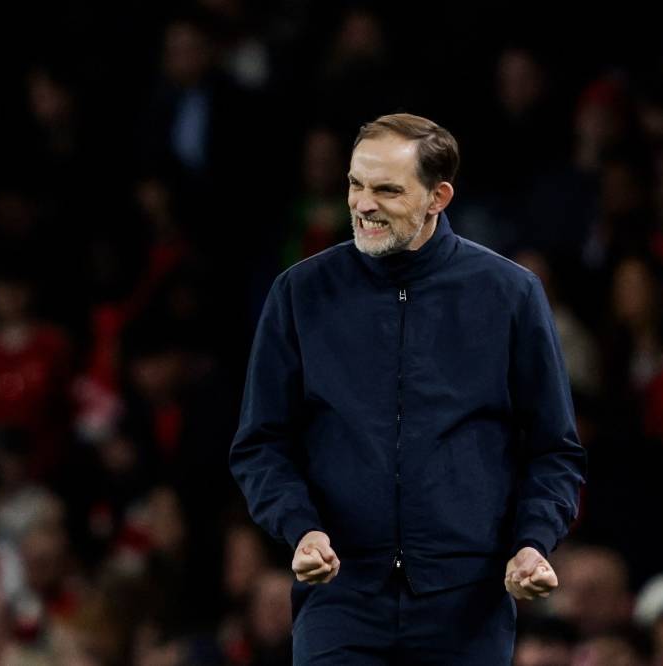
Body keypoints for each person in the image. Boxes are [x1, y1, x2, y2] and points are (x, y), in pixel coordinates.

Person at [229, 113, 587, 664]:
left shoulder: (509, 295)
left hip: (469, 606)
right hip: (340, 598)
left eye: (386, 189)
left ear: (438, 196)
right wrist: (300, 529)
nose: (362, 203)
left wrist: (532, 542)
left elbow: (553, 449)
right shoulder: (299, 293)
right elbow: (261, 444)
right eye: (355, 183)